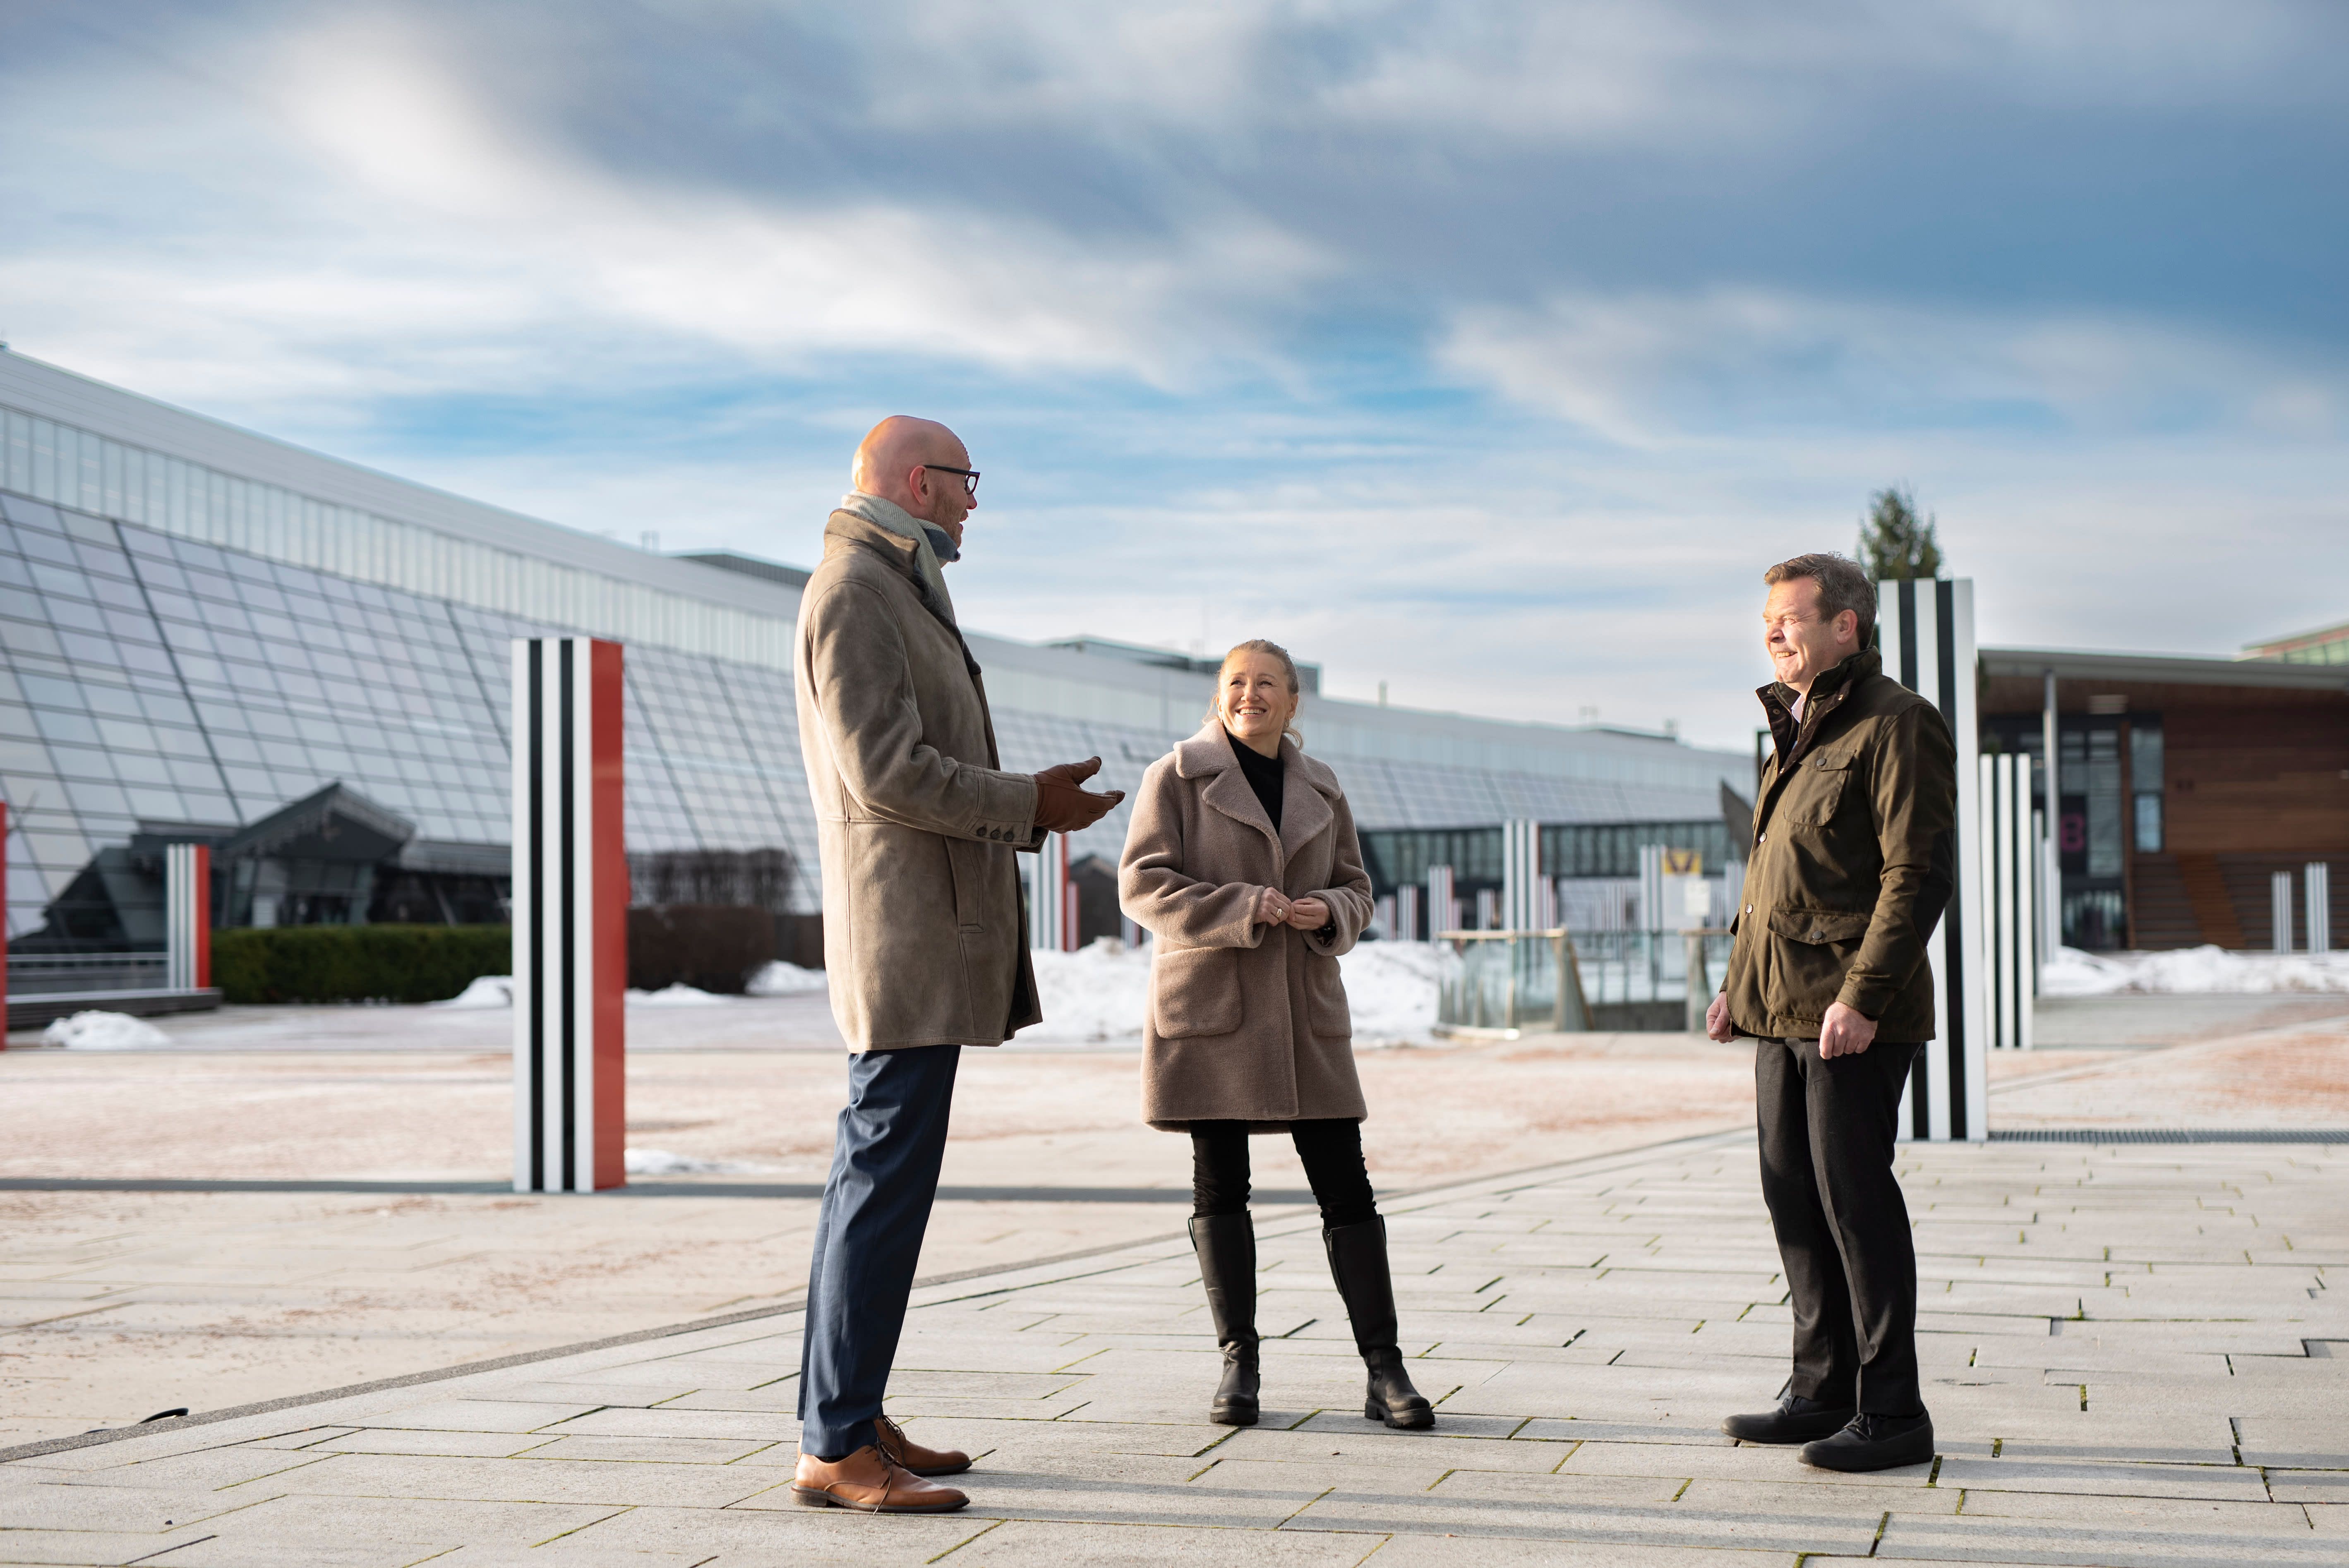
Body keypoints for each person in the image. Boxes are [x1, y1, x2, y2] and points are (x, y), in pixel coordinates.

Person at [789, 416, 1124, 1513]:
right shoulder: (854, 586)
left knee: (876, 1182)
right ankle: (837, 1440)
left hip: (924, 932)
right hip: (905, 937)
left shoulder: (895, 583)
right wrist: (1029, 801)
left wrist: (1029, 795)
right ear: (914, 480)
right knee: (878, 1184)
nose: (975, 501)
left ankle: (846, 1411)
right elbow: (885, 772)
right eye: (966, 480)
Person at [1118, 639, 1434, 1432]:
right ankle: (1240, 1364)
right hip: (1214, 1008)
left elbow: (1357, 886)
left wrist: (1331, 912)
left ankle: (1383, 1368)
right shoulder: (1177, 775)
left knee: (1346, 1184)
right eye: (1235, 682)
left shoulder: (1321, 785)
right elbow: (1142, 885)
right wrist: (1239, 906)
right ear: (1217, 696)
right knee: (1220, 1184)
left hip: (1303, 1009)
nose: (1248, 694)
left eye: (1265, 684)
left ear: (1293, 702)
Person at [1706, 551, 1955, 1473]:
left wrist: (1862, 993)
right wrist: (1739, 981)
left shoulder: (1897, 723)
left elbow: (1914, 874)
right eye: (1767, 619)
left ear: (1844, 624)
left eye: (1791, 617)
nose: (1774, 632)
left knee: (1854, 1197)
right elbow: (1776, 876)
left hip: (1850, 1010)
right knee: (1791, 1190)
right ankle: (1821, 1388)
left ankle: (1893, 1411)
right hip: (1780, 1005)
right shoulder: (1797, 727)